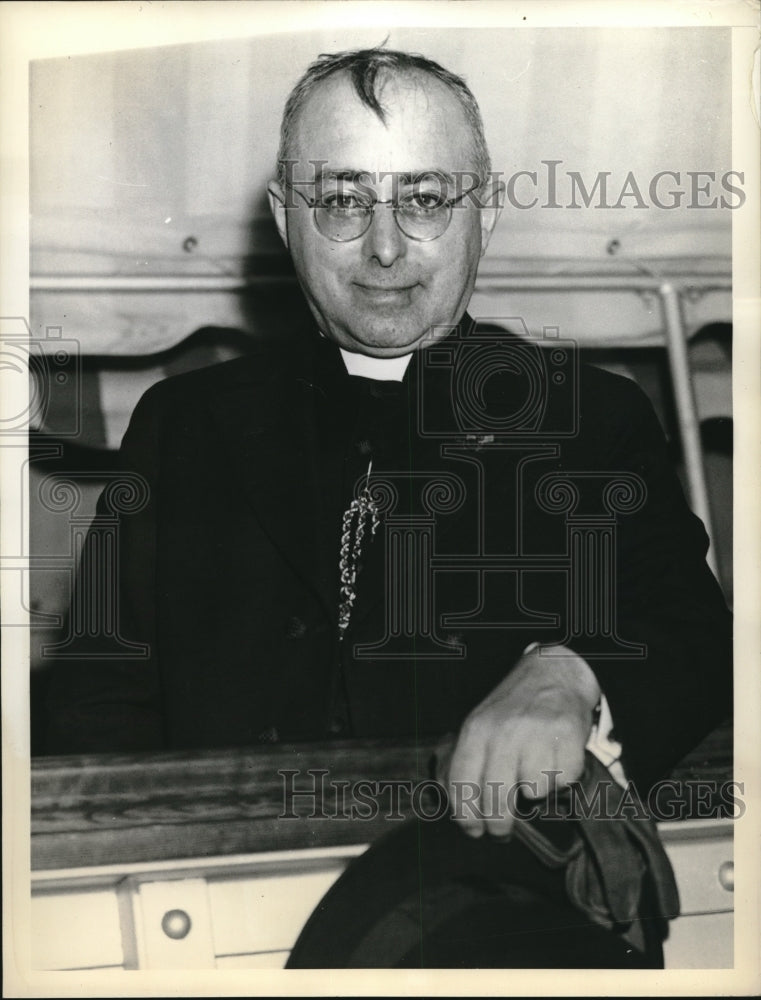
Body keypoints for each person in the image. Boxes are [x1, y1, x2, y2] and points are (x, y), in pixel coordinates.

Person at [44, 47, 732, 967]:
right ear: (289, 219)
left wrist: (571, 671)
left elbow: (691, 625)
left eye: (423, 199)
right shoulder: (186, 423)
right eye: (340, 200)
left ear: (480, 215)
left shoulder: (589, 417)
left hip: (482, 913)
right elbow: (98, 694)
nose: (382, 247)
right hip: (202, 911)